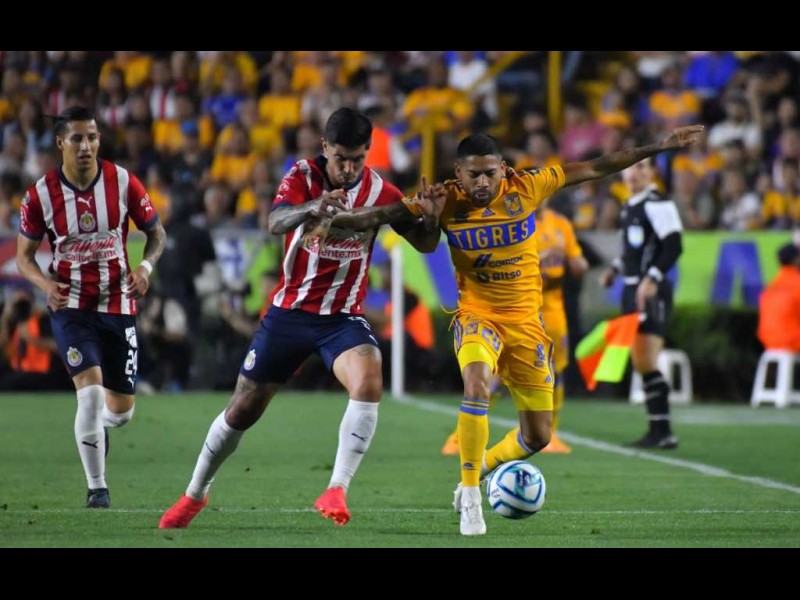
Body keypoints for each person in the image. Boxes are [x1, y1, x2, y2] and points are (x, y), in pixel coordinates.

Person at [159, 108, 442, 529]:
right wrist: (312, 207)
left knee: (369, 377)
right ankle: (194, 494)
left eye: (357, 159)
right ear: (325, 147)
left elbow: (425, 243)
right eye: (341, 158)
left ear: (367, 153)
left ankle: (336, 489)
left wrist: (431, 218)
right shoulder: (302, 177)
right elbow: (275, 221)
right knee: (242, 410)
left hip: (341, 319)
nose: (348, 169)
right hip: (289, 314)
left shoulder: (381, 191)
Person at [427, 128, 701, 535]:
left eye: (490, 173)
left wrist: (659, 147)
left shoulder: (531, 190)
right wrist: (341, 218)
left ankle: (480, 468)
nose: (482, 182)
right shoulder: (447, 199)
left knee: (538, 435)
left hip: (531, 321)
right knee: (478, 384)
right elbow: (394, 220)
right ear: (459, 172)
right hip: (477, 314)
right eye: (474, 174)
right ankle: (470, 496)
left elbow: (596, 166)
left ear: (503, 169)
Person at [15, 106, 166, 508]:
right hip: (71, 307)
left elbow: (157, 233)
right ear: (60, 143)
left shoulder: (123, 182)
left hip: (118, 304)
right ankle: (97, 488)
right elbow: (24, 258)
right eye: (78, 138)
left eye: (93, 138)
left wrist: (145, 268)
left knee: (120, 412)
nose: (86, 146)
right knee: (90, 393)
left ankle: (99, 428)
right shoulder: (40, 195)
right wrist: (46, 285)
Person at [439, 203, 588, 455]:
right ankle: (459, 437)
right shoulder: (511, 221)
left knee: (555, 371)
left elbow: (577, 260)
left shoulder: (560, 224)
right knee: (495, 374)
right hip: (517, 308)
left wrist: (575, 262)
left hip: (552, 309)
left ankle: (552, 434)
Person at [599, 157, 685, 450]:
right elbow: (633, 250)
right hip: (631, 288)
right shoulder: (631, 205)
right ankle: (658, 430)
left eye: (642, 167)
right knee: (640, 361)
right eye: (631, 166)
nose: (634, 172)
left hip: (649, 291)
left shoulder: (657, 203)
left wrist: (652, 278)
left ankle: (663, 430)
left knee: (646, 360)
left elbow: (673, 245)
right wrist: (614, 269)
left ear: (652, 173)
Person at [757, 243, 800, 352]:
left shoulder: (771, 285)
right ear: (795, 260)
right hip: (793, 341)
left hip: (769, 341)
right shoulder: (797, 283)